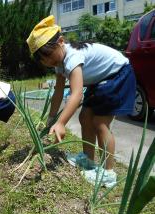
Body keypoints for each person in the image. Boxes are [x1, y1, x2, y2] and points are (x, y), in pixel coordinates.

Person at [26, 16, 136, 188]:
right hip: (100, 81)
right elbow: (59, 91)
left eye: (48, 55)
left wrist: (62, 123)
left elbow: (76, 94)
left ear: (61, 41)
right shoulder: (59, 62)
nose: (48, 61)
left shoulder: (72, 57)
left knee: (100, 123)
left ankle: (108, 174)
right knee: (85, 116)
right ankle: (88, 159)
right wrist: (52, 117)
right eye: (43, 60)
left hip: (117, 75)